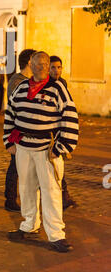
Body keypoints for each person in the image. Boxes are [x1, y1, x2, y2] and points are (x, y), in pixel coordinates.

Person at [3, 51, 79, 253]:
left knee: (51, 191)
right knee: (26, 188)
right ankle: (29, 224)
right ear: (31, 65)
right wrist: (8, 141)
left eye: (46, 64)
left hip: (47, 149)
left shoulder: (58, 89)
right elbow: (10, 113)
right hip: (23, 147)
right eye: (38, 63)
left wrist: (61, 147)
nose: (43, 67)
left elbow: (70, 117)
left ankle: (56, 235)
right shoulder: (20, 88)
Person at [4, 49, 36, 212]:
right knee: (15, 164)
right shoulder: (17, 81)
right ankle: (10, 199)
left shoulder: (30, 80)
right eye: (35, 60)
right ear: (30, 62)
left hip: (29, 130)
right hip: (18, 130)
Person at [50, 55, 77, 210]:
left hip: (60, 131)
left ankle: (64, 196)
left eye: (59, 67)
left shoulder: (62, 83)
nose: (57, 70)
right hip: (49, 132)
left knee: (59, 166)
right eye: (53, 67)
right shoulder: (45, 84)